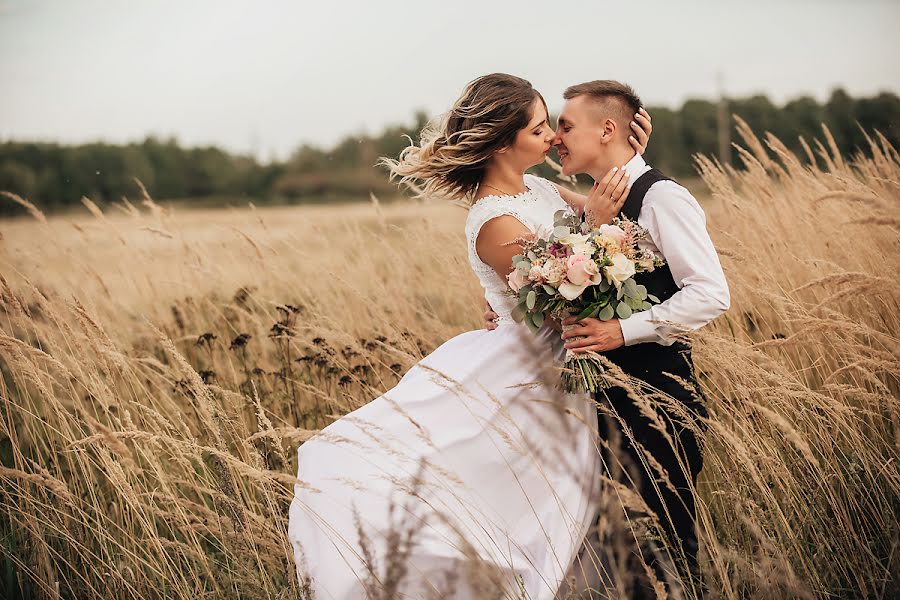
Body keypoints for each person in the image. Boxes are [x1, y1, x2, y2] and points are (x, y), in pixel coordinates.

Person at [287, 73, 652, 599]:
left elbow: (613, 210)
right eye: (539, 128)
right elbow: (563, 297)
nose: (551, 137)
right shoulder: (494, 222)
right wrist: (592, 222)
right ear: (504, 142)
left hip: (557, 366)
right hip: (521, 375)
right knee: (510, 511)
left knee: (561, 511)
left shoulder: (542, 189)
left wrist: (624, 154)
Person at [486, 80, 730, 597]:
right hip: (603, 406)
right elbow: (556, 257)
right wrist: (513, 308)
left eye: (566, 126)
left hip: (660, 400)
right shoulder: (594, 202)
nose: (556, 138)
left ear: (609, 130)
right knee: (618, 554)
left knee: (668, 544)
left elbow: (710, 294)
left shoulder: (662, 197)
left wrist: (621, 330)